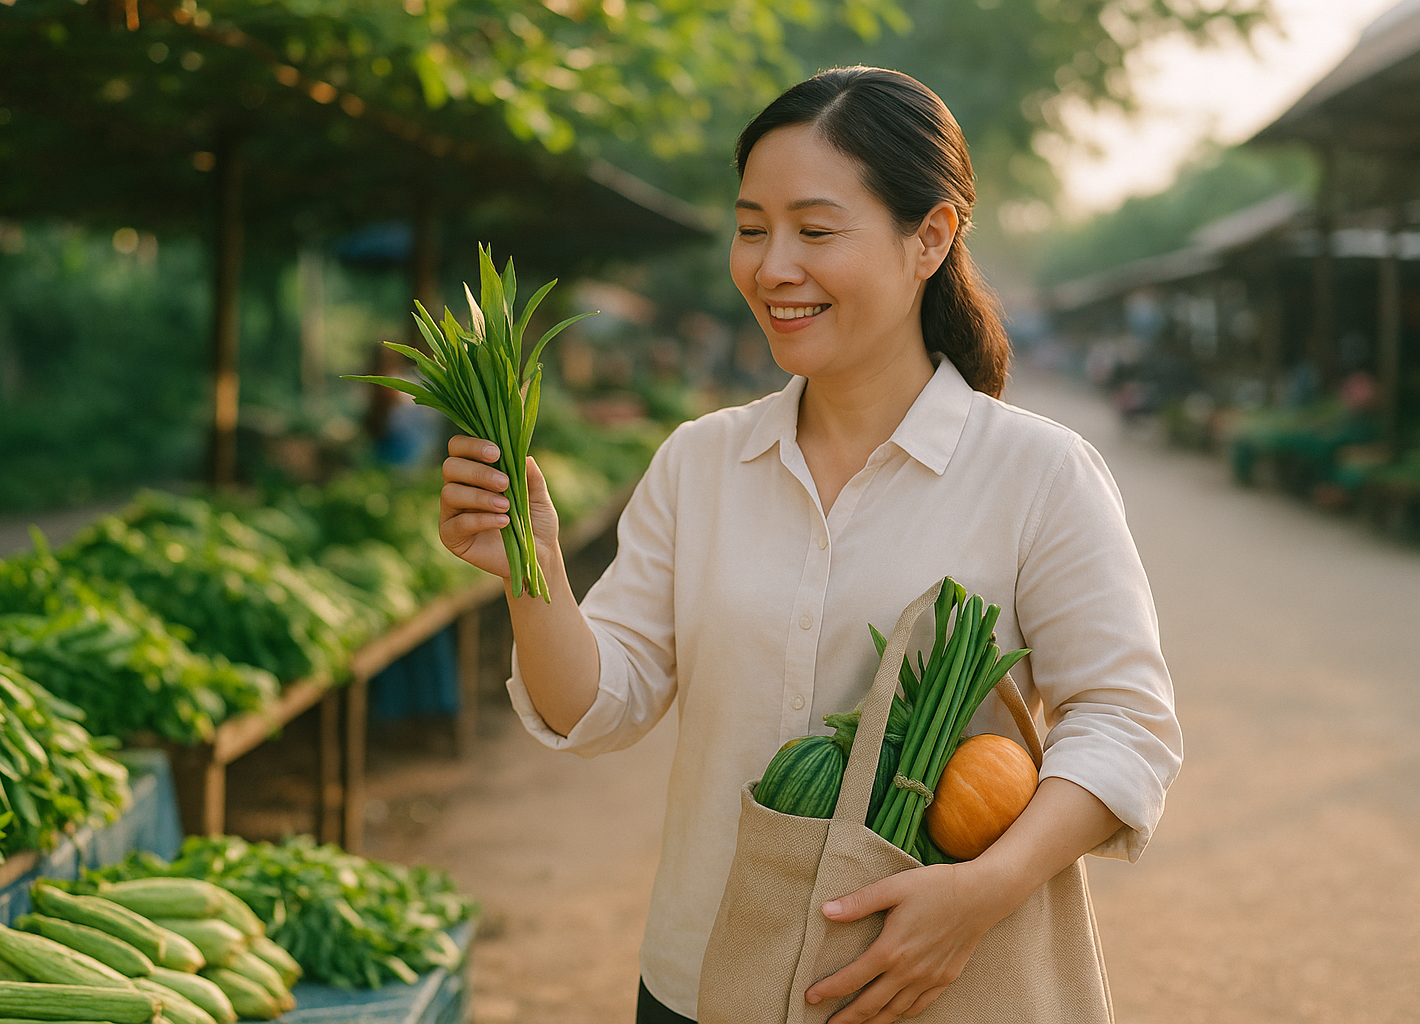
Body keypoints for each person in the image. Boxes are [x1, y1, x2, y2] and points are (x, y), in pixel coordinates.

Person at [438, 67, 1182, 1024]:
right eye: (752, 229)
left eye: (815, 230)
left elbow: (1125, 724)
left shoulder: (1040, 474)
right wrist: (531, 575)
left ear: (932, 236)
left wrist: (981, 893)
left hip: (932, 983)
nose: (772, 266)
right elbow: (599, 705)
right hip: (706, 978)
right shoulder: (700, 462)